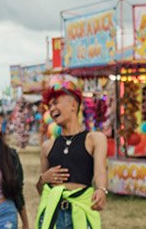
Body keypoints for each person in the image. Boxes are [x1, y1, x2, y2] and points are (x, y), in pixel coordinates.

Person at [37, 76, 107, 229]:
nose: (52, 109)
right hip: (53, 215)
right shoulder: (47, 146)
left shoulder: (95, 139)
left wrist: (102, 190)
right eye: (50, 106)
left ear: (73, 105)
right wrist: (43, 179)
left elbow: (100, 171)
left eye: (55, 103)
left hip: (81, 212)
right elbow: (42, 191)